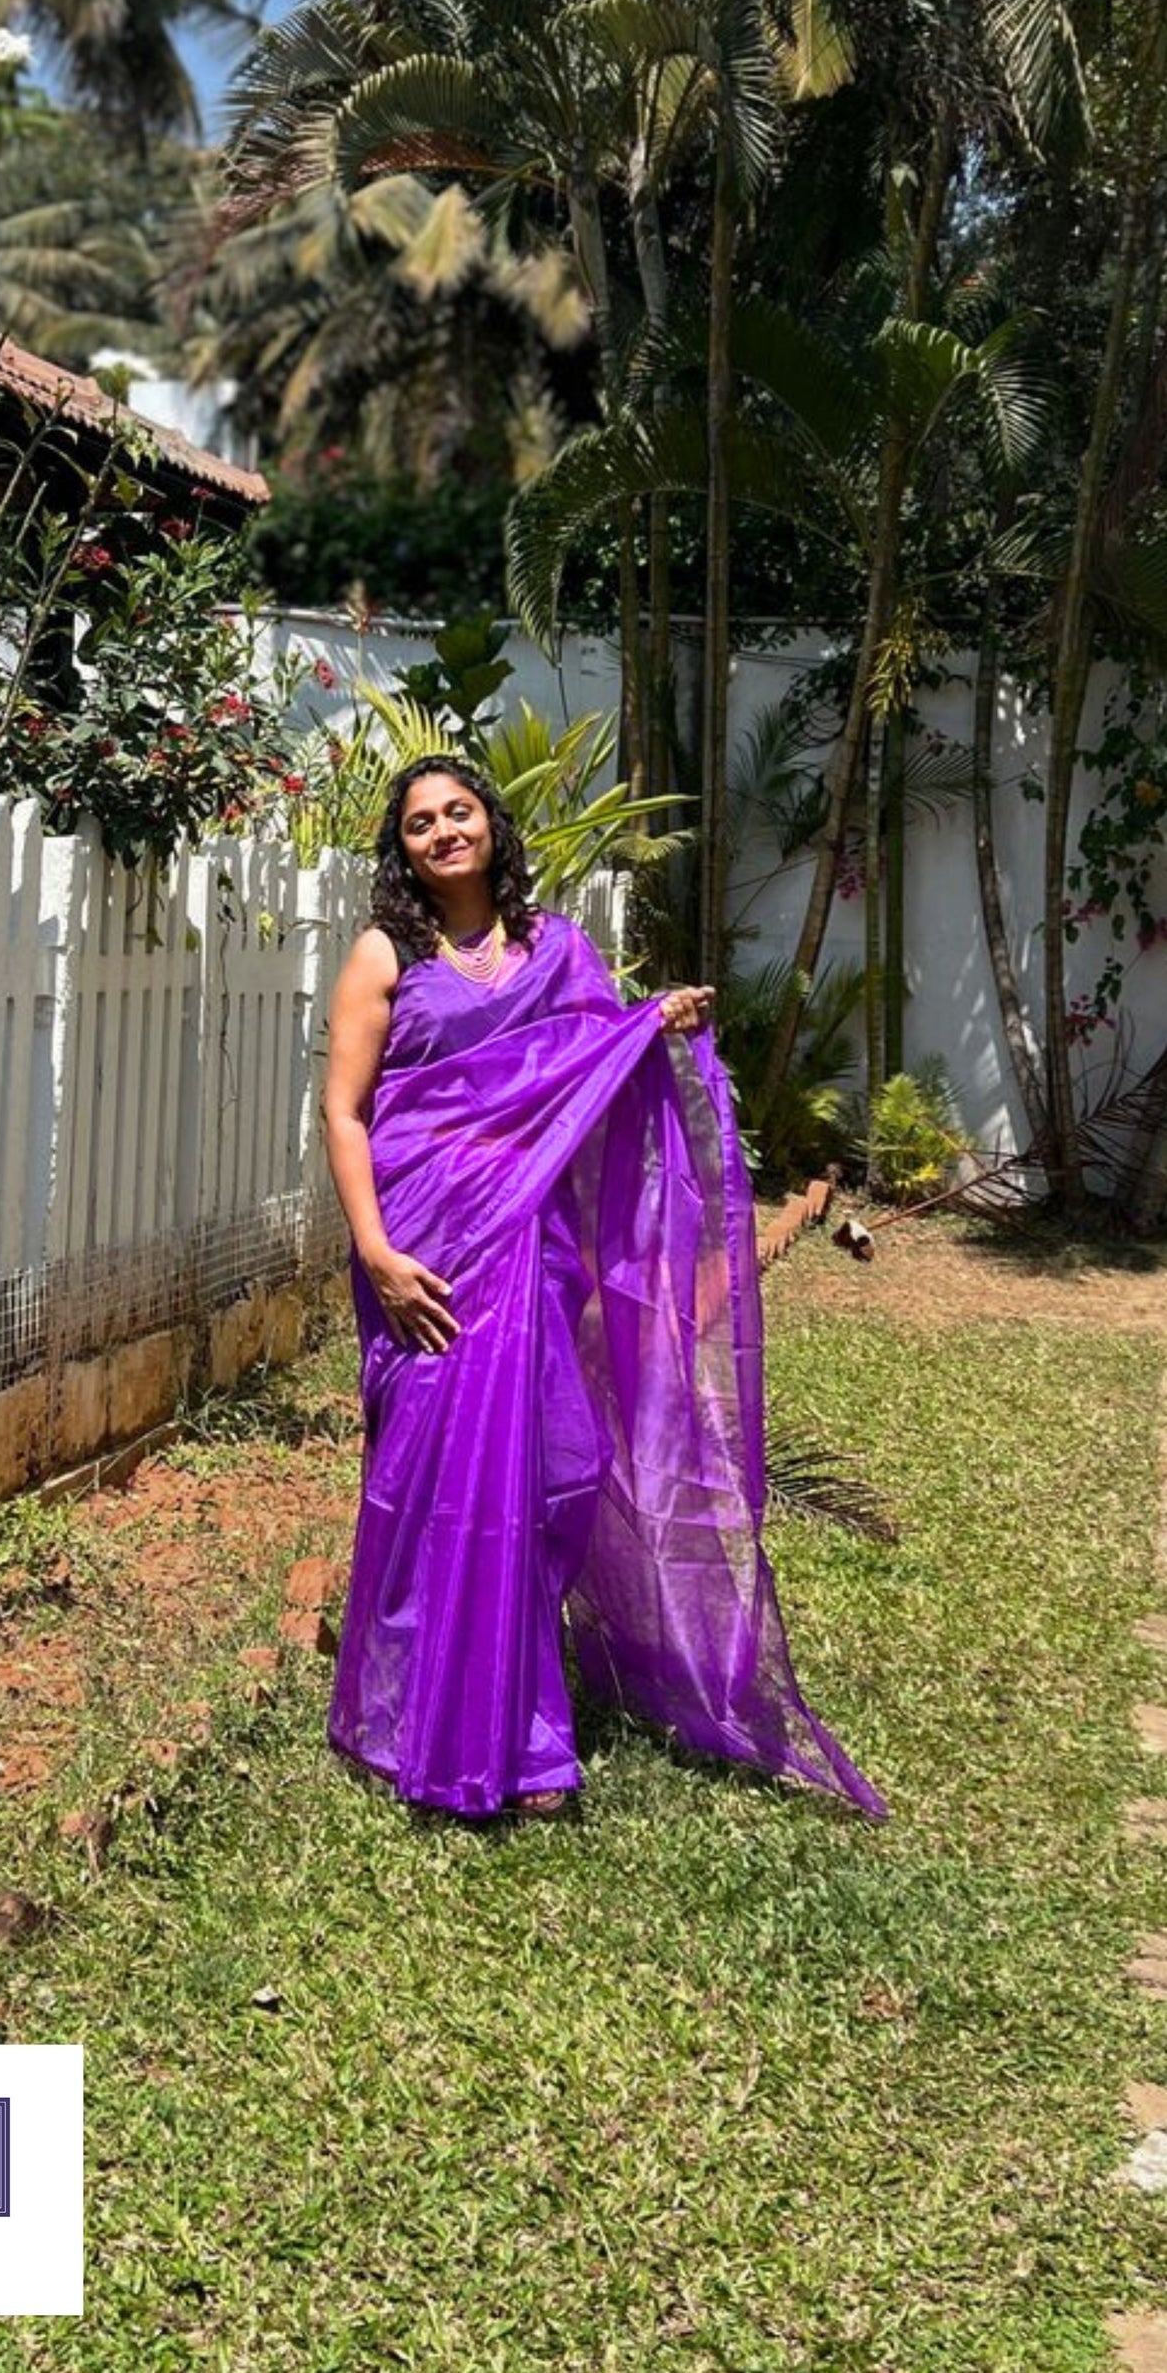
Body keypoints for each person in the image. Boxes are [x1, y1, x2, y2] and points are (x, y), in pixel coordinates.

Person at [321, 753, 884, 1824]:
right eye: (418, 823)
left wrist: (650, 1023)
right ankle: (421, 1723)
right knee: (430, 1476)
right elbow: (347, 1112)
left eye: (457, 811)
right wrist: (378, 1252)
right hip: (425, 1253)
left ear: (491, 823)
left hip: (529, 1251)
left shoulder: (555, 946)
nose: (442, 831)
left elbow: (588, 1069)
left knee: (546, 1473)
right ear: (399, 849)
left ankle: (518, 1716)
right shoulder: (382, 955)